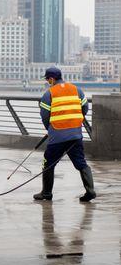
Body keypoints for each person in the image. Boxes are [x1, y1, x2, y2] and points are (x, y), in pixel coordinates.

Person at [34, 67, 96, 202]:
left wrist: (51, 129)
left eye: (47, 79)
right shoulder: (76, 90)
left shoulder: (49, 94)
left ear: (51, 79)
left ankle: (46, 193)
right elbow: (85, 108)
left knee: (48, 163)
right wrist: (74, 120)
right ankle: (90, 191)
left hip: (57, 137)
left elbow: (45, 116)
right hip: (75, 135)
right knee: (81, 163)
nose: (47, 82)